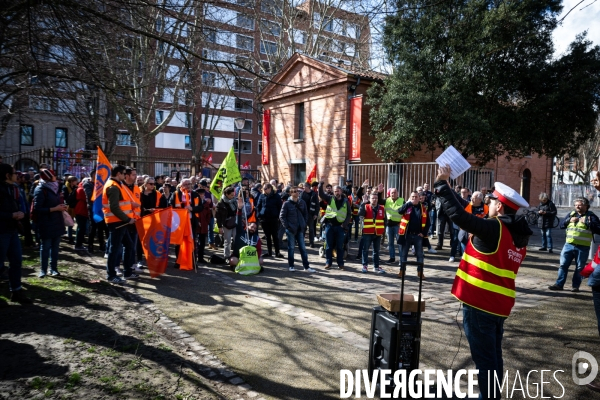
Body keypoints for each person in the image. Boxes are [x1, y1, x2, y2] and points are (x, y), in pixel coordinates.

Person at [435, 166, 532, 400]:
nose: (486, 205)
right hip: (498, 306)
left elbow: (459, 217)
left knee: (485, 361)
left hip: (480, 305)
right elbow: (467, 210)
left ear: (499, 206)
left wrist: (440, 184)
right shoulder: (517, 235)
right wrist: (449, 187)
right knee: (493, 357)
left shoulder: (494, 228)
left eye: (490, 202)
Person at [548, 197, 600, 292]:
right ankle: (559, 284)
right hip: (568, 245)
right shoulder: (571, 214)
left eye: (579, 205)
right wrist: (569, 220)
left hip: (583, 247)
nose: (577, 207)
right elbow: (561, 225)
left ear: (586, 206)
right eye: (576, 205)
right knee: (563, 265)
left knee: (579, 267)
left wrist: (588, 223)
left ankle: (575, 286)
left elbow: (599, 229)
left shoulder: (591, 216)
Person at [0, 163, 32, 303]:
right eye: (14, 173)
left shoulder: (12, 188)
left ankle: (16, 291)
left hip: (12, 230)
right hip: (1, 231)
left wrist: (18, 214)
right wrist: (11, 215)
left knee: (16, 262)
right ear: (7, 175)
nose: (17, 175)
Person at [102, 165, 137, 283]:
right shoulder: (113, 187)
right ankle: (111, 275)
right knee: (115, 248)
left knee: (129, 245)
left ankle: (127, 272)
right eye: (123, 173)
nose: (124, 175)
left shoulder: (117, 185)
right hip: (117, 222)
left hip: (120, 222)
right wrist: (128, 219)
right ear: (118, 174)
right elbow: (114, 208)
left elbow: (121, 204)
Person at [34, 169, 67, 278]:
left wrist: (62, 206)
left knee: (55, 247)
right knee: (45, 247)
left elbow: (57, 202)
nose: (56, 177)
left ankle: (54, 269)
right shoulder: (40, 189)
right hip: (46, 223)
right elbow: (37, 209)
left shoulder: (55, 188)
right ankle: (43, 270)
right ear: (49, 177)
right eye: (53, 175)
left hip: (57, 221)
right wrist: (54, 209)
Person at [280, 186, 314, 272]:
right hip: (291, 229)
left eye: (297, 191)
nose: (297, 193)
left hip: (300, 229)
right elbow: (282, 216)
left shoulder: (302, 202)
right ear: (291, 193)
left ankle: (306, 267)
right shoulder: (286, 204)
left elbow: (306, 214)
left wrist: (304, 223)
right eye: (294, 191)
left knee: (303, 248)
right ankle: (291, 266)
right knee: (291, 248)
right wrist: (287, 226)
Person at [397, 191, 430, 279]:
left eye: (416, 197)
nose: (414, 199)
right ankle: (402, 271)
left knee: (420, 255)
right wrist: (407, 204)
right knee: (404, 254)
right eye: (412, 197)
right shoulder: (407, 206)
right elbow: (399, 211)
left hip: (418, 236)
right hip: (406, 235)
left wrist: (423, 233)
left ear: (419, 198)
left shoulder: (423, 208)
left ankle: (420, 272)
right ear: (410, 198)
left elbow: (428, 223)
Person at [318, 183, 351, 270]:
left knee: (340, 246)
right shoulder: (330, 199)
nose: (337, 192)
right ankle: (328, 263)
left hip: (340, 227)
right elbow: (321, 194)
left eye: (338, 191)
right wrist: (321, 184)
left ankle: (340, 263)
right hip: (330, 226)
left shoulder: (346, 201)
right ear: (333, 192)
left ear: (341, 191)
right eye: (335, 191)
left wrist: (344, 224)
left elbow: (349, 214)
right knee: (328, 246)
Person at [454, 191, 488, 261]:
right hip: (465, 234)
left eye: (474, 198)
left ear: (480, 200)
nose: (471, 199)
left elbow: (486, 222)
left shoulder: (486, 208)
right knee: (465, 254)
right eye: (471, 197)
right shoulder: (467, 205)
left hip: (477, 236)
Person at [359, 193, 386, 274]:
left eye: (376, 198)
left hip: (378, 233)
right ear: (369, 199)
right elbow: (360, 214)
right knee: (365, 249)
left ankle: (376, 267)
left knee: (376, 251)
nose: (374, 200)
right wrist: (363, 203)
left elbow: (385, 220)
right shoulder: (366, 206)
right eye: (372, 198)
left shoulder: (382, 208)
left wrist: (383, 230)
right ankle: (365, 265)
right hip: (368, 232)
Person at [256, 182, 283, 257]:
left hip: (274, 218)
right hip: (264, 218)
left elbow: (280, 207)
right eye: (263, 189)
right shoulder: (262, 196)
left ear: (270, 188)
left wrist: (278, 216)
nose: (264, 190)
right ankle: (269, 252)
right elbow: (258, 206)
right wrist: (259, 215)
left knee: (275, 235)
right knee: (267, 236)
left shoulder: (276, 196)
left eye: (265, 188)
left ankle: (277, 252)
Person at [216, 186, 238, 260]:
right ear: (226, 194)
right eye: (231, 195)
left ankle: (236, 253)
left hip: (235, 222)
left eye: (233, 194)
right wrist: (220, 227)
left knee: (236, 239)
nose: (233, 196)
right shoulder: (220, 203)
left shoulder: (235, 201)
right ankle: (227, 255)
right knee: (227, 240)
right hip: (226, 224)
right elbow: (218, 217)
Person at [299, 182, 319, 247]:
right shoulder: (302, 194)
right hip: (303, 214)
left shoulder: (314, 194)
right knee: (303, 228)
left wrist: (316, 214)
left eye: (304, 187)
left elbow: (317, 205)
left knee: (311, 229)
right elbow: (299, 204)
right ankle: (301, 242)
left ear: (307, 187)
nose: (303, 188)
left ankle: (311, 242)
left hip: (311, 214)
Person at [74, 178, 90, 250]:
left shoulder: (80, 188)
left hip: (82, 210)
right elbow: (87, 198)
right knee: (81, 228)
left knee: (81, 228)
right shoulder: (81, 189)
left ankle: (79, 242)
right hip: (81, 211)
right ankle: (78, 244)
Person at [62, 175, 78, 244]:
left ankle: (74, 237)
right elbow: (66, 198)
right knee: (70, 222)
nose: (76, 182)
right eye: (75, 181)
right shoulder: (65, 188)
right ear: (71, 182)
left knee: (75, 222)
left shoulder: (75, 187)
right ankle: (70, 237)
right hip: (68, 206)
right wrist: (72, 193)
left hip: (75, 206)